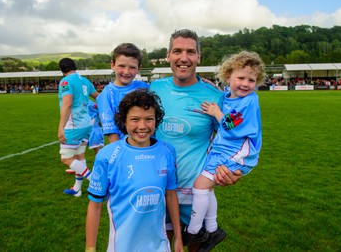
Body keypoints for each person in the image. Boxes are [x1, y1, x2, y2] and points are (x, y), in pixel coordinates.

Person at [149, 29, 242, 251]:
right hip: (159, 187)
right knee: (163, 245)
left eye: (190, 52)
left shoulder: (214, 96)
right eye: (177, 51)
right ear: (168, 55)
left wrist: (235, 170)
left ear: (199, 56)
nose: (184, 58)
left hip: (195, 193)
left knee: (194, 247)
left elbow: (234, 139)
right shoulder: (154, 89)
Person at [86, 88, 184, 252]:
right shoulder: (107, 156)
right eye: (135, 119)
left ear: (156, 120)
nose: (142, 126)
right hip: (121, 247)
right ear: (123, 121)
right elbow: (95, 205)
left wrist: (178, 237)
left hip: (160, 246)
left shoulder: (167, 151)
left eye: (149, 119)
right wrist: (90, 248)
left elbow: (171, 195)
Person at [185, 51, 265, 250]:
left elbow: (231, 124)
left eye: (251, 80)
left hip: (237, 152)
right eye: (241, 78)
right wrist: (215, 89)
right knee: (207, 187)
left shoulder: (249, 100)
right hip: (222, 149)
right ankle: (212, 230)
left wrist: (216, 112)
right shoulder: (229, 96)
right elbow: (226, 98)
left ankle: (193, 232)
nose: (245, 84)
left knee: (200, 185)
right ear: (228, 77)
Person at [57, 58, 99, 197]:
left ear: (62, 70)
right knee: (79, 156)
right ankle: (77, 189)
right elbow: (98, 97)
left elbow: (67, 103)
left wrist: (61, 127)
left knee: (66, 158)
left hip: (74, 125)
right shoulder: (85, 81)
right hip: (87, 124)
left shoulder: (66, 81)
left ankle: (95, 182)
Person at [96, 43, 148, 144]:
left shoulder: (144, 87)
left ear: (139, 68)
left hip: (148, 147)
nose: (126, 71)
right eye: (121, 66)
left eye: (132, 67)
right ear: (112, 65)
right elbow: (112, 132)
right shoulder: (106, 95)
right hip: (125, 149)